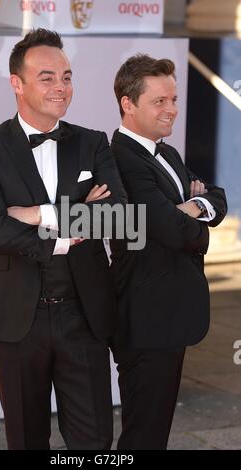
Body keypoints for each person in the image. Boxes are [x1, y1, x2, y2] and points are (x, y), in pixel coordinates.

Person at [0, 29, 126, 450]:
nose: (61, 87)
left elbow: (120, 218)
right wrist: (74, 218)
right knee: (26, 438)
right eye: (48, 77)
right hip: (17, 319)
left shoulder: (92, 143)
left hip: (84, 316)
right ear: (17, 83)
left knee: (94, 442)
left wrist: (38, 215)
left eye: (67, 76)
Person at [110, 54, 227, 450]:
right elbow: (169, 230)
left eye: (173, 99)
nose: (172, 109)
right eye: (159, 101)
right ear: (128, 103)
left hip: (169, 311)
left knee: (154, 430)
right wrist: (191, 216)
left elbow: (218, 198)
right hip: (146, 315)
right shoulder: (122, 158)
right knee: (143, 433)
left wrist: (190, 208)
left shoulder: (168, 154)